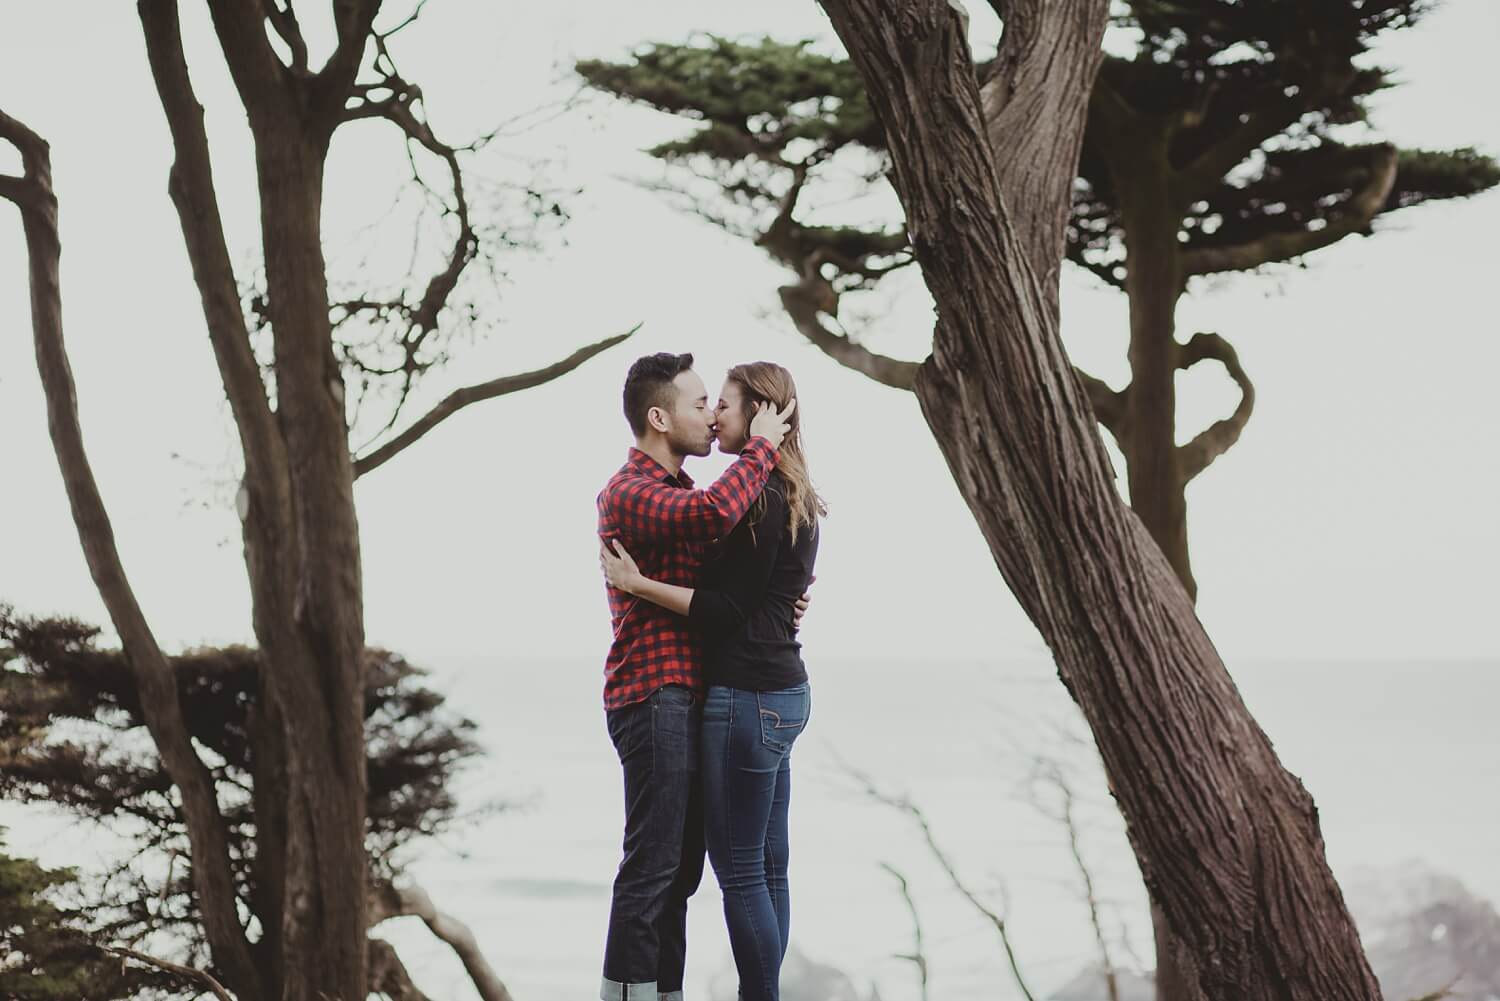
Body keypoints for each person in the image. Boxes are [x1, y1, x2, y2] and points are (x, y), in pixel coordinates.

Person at [602, 362, 823, 1001]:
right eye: (702, 403)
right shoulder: (634, 492)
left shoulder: (741, 493)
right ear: (660, 417)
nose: (710, 414)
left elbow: (738, 589)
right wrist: (762, 444)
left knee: (697, 872)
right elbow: (710, 520)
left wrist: (781, 601)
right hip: (656, 691)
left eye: (718, 403)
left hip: (722, 695)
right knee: (667, 865)